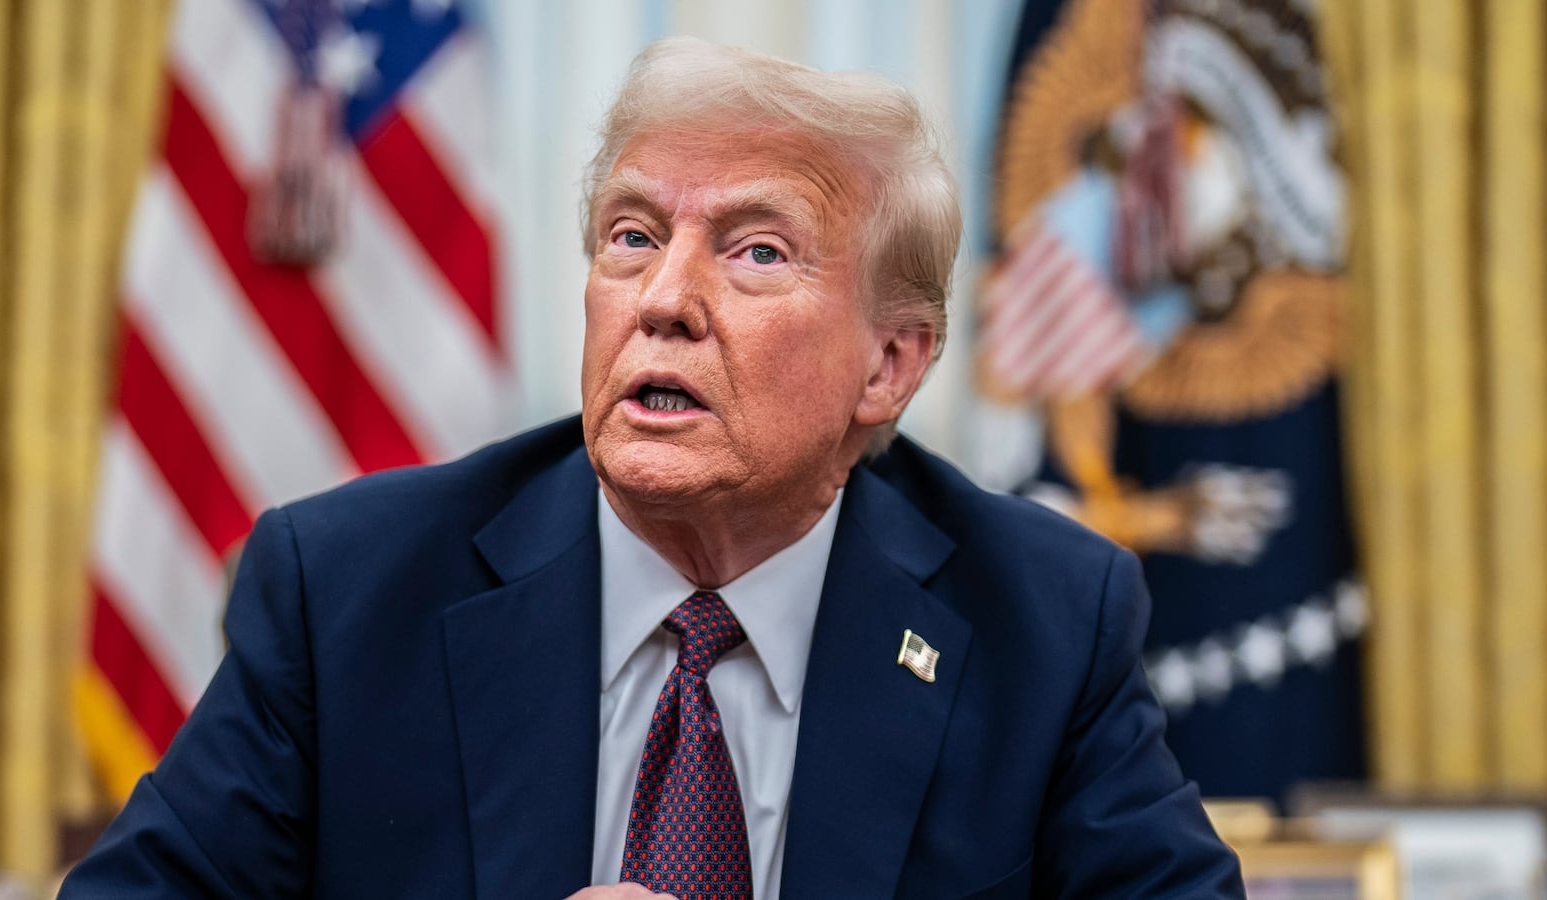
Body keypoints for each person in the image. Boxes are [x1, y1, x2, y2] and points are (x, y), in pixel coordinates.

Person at [62, 37, 1243, 900]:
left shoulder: (1041, 620)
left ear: (888, 366)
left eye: (756, 251)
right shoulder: (348, 593)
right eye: (631, 236)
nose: (663, 299)